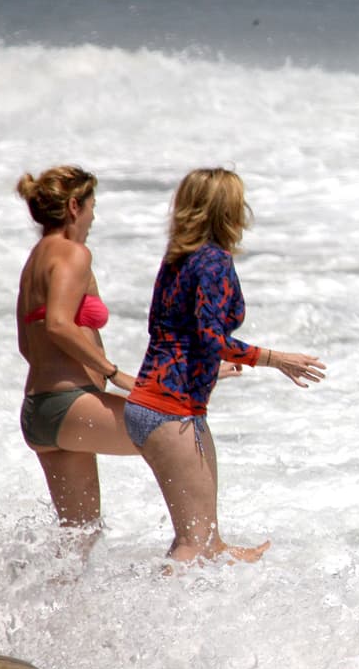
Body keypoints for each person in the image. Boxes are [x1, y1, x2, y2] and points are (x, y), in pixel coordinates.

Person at [124, 168, 326, 564]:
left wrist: (206, 369)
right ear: (228, 210)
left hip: (153, 403)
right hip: (170, 409)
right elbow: (210, 337)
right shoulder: (213, 261)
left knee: (208, 542)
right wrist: (276, 359)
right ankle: (156, 622)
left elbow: (165, 331)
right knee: (193, 544)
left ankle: (187, 613)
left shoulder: (177, 258)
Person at [15, 165, 139, 544]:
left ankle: (32, 603)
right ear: (73, 206)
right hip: (69, 403)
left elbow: (27, 342)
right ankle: (198, 545)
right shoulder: (72, 253)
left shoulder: (36, 259)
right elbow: (57, 324)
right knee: (174, 431)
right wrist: (113, 373)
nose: (93, 215)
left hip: (40, 410)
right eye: (91, 206)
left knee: (79, 538)